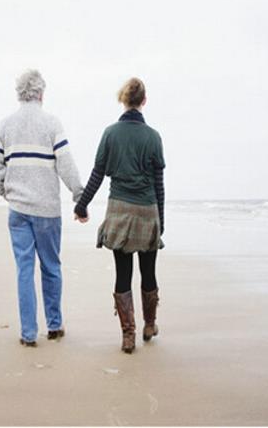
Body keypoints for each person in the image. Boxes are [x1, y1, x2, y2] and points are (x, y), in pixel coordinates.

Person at [0, 69, 84, 347]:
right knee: (51, 267)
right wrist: (79, 194)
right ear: (41, 93)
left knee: (24, 270)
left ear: (19, 93)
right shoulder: (51, 123)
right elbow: (65, 164)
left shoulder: (6, 125)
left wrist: (5, 192)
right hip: (47, 210)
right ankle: (54, 326)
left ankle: (28, 333)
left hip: (18, 209)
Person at [74, 77, 165, 354]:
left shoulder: (110, 134)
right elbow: (159, 184)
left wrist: (82, 205)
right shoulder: (153, 137)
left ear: (123, 100)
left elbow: (97, 174)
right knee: (148, 271)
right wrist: (160, 221)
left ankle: (128, 336)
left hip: (120, 211)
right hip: (147, 211)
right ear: (144, 101)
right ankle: (150, 325)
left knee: (123, 273)